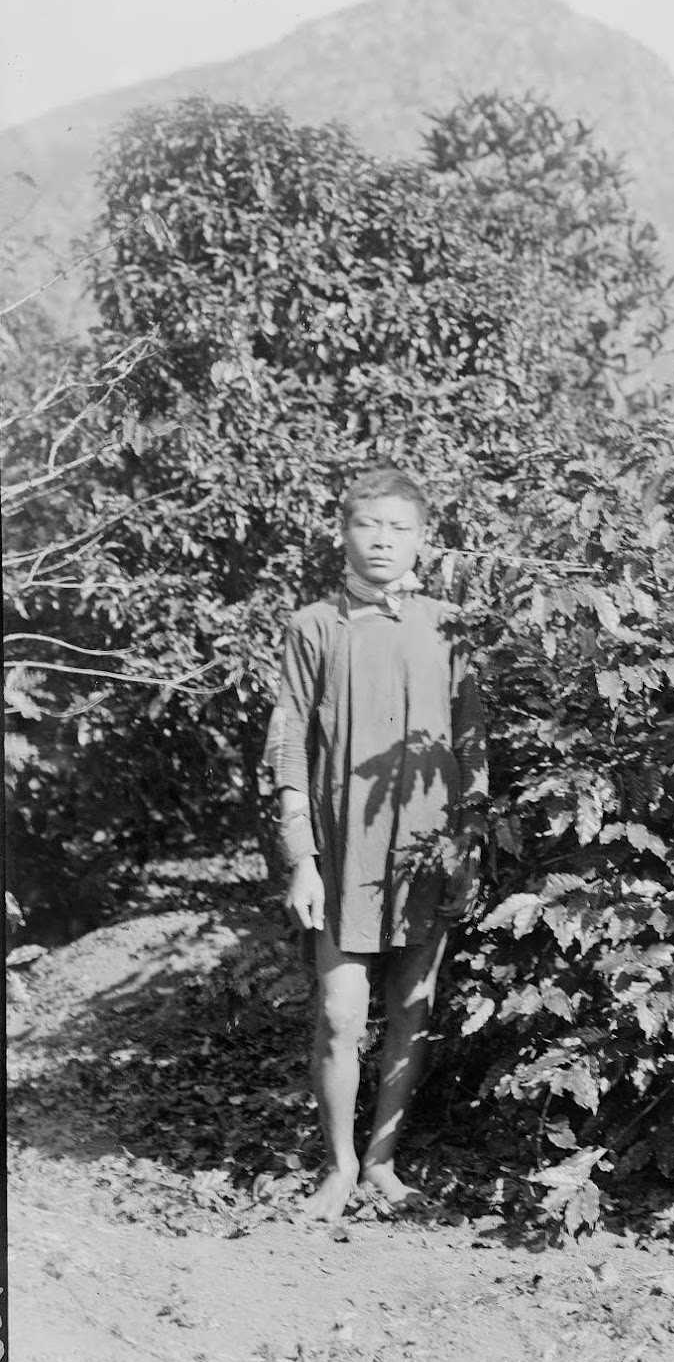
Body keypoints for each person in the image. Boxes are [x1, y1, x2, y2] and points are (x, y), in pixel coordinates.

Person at [265, 466, 486, 1221]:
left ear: (423, 539)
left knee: (412, 1009)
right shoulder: (312, 626)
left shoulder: (451, 625)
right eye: (369, 525)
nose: (383, 541)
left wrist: (471, 844)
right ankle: (338, 1167)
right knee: (339, 1014)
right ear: (344, 533)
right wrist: (302, 859)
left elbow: (473, 741)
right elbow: (288, 744)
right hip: (343, 852)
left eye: (400, 528)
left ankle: (384, 1164)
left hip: (429, 850)